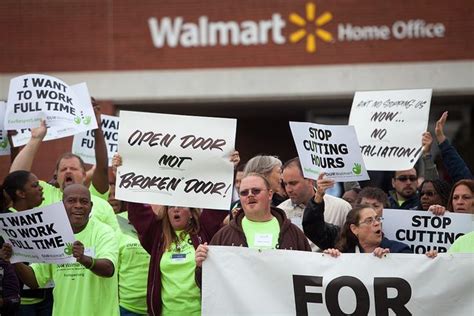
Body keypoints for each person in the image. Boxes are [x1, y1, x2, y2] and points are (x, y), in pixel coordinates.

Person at [3, 184, 119, 316]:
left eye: (84, 201)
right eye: (71, 201)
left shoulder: (104, 232)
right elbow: (34, 280)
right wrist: (14, 259)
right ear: (61, 206)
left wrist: (84, 259)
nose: (78, 205)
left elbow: (109, 269)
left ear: (91, 207)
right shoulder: (52, 235)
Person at [10, 112, 118, 231]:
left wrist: (97, 126)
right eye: (63, 169)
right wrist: (36, 138)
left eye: (73, 169)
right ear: (56, 175)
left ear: (84, 174)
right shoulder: (43, 192)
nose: (68, 171)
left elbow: (102, 170)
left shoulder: (97, 199)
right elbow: (16, 179)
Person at [195, 173, 311, 270]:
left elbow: (310, 272)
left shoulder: (294, 234)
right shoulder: (224, 236)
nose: (250, 195)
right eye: (244, 193)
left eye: (256, 191)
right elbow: (208, 284)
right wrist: (201, 266)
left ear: (270, 194)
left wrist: (326, 260)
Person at [302, 173, 411, 254]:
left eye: (376, 206)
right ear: (354, 228)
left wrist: (392, 261)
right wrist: (318, 196)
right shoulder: (341, 244)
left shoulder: (398, 250)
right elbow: (313, 227)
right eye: (365, 205)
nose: (370, 210)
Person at [0, 170, 52, 316]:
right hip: (19, 303)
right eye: (35, 185)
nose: (41, 188)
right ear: (21, 193)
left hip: (47, 298)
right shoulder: (4, 222)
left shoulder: (43, 219)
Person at [278, 158, 351, 250]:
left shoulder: (341, 207)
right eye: (285, 184)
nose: (288, 189)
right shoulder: (281, 212)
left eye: (293, 183)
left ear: (310, 180)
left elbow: (352, 244)